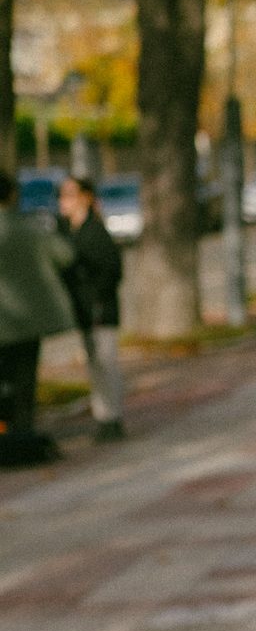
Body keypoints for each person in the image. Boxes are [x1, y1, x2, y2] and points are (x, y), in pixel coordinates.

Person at [0, 169, 77, 467]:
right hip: (27, 324)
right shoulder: (28, 228)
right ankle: (22, 435)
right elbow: (65, 255)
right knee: (24, 379)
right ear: (12, 195)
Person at [56, 176, 128, 441]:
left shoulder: (95, 232)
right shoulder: (66, 231)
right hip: (83, 309)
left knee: (105, 364)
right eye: (61, 195)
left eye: (69, 194)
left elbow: (112, 271)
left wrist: (97, 298)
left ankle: (111, 419)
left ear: (85, 198)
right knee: (95, 365)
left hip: (100, 310)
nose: (63, 201)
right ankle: (104, 418)